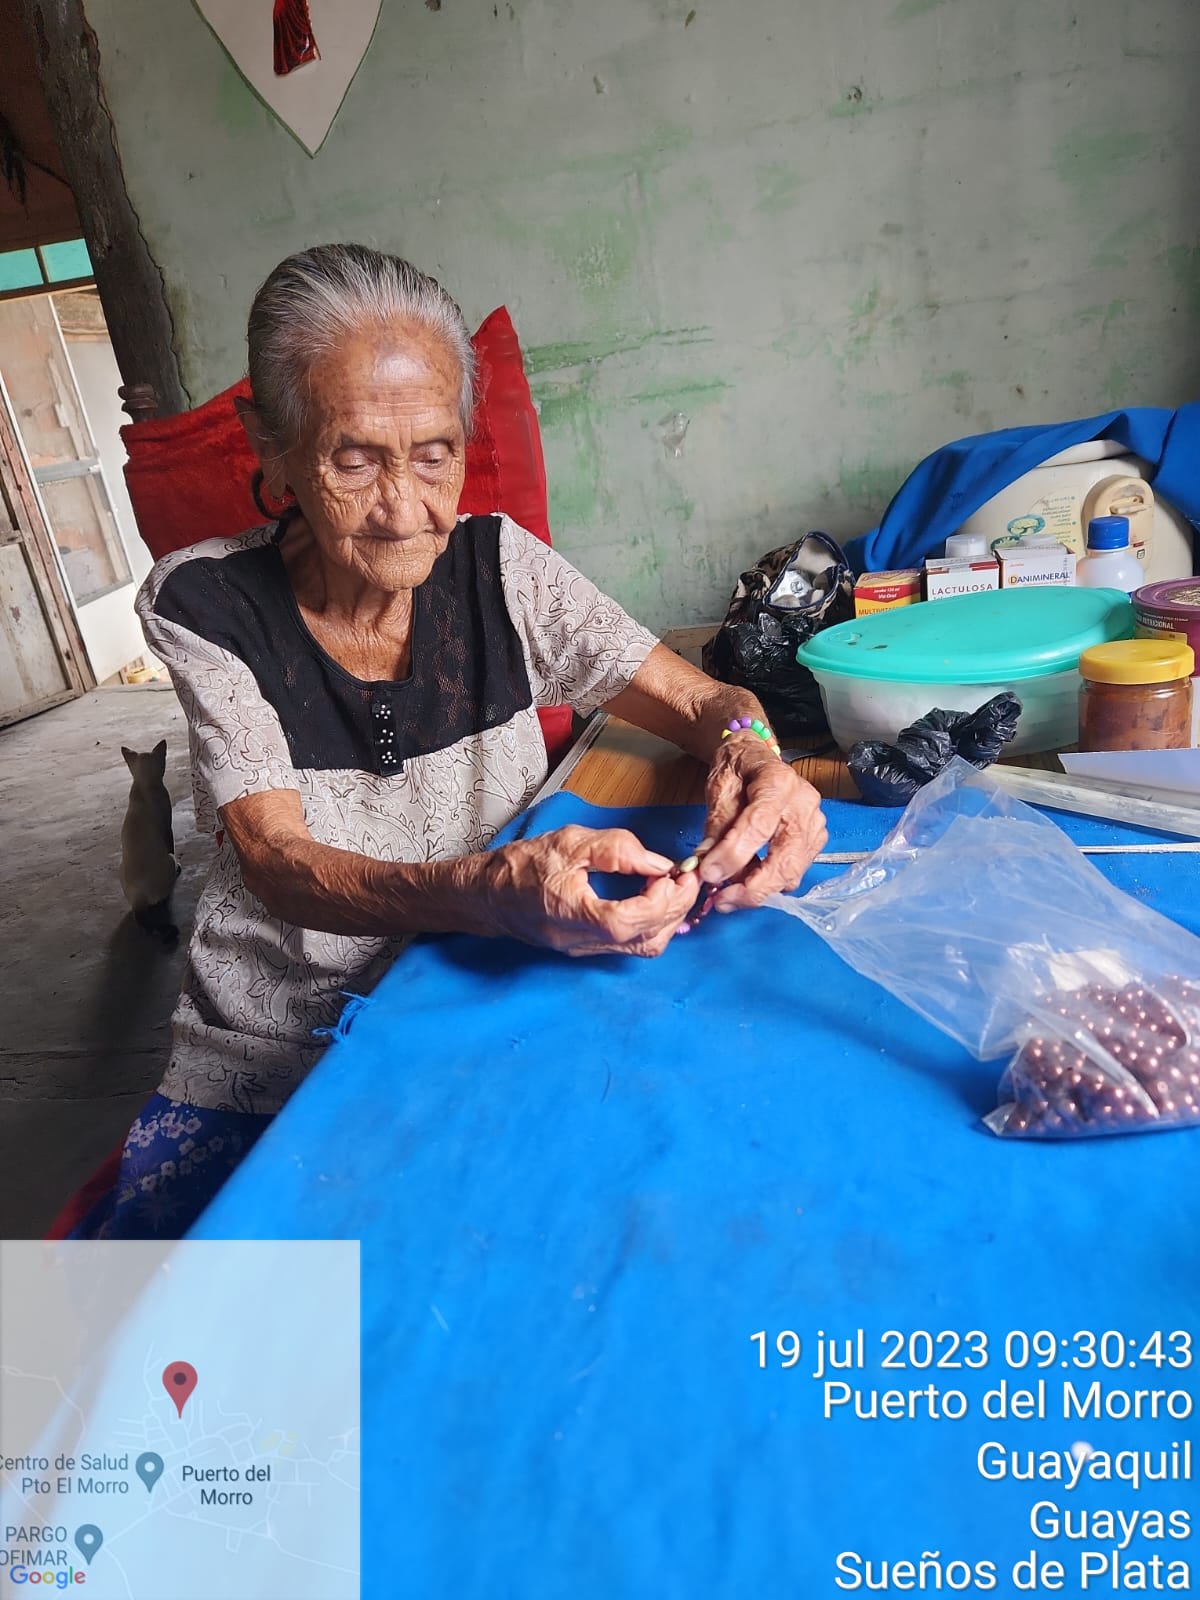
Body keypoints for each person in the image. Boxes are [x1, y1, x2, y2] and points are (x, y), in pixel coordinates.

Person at [72, 243, 827, 1238]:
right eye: (354, 459)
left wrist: (754, 754)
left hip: (487, 991)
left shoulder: (502, 569)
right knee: (204, 1313)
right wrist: (485, 893)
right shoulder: (205, 604)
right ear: (272, 445)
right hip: (278, 1041)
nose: (405, 510)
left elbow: (708, 700)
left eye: (435, 454)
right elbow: (276, 859)